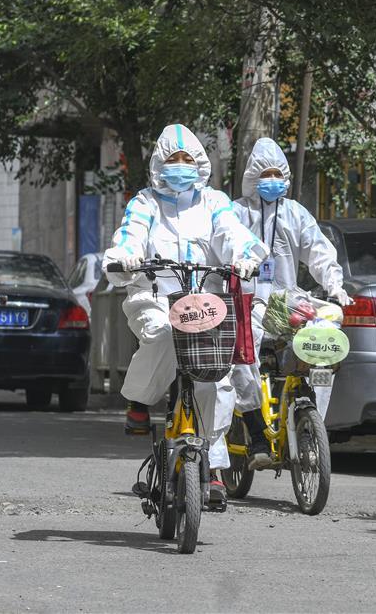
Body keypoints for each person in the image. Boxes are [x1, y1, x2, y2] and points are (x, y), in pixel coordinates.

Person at [102, 123, 268, 506]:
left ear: (200, 164)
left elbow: (234, 234)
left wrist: (246, 257)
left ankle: (210, 465)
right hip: (155, 299)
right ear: (160, 165)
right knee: (163, 335)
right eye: (173, 159)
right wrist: (125, 257)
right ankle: (140, 399)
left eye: (187, 159)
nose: (181, 166)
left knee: (215, 382)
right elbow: (129, 235)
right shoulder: (145, 203)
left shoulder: (215, 202)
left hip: (205, 305)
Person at [231, 138, 351, 468]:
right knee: (243, 353)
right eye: (265, 174)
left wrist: (335, 285)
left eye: (277, 173)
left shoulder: (295, 213)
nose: (272, 180)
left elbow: (320, 253)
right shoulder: (236, 213)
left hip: (286, 303)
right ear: (253, 176)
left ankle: (311, 425)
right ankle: (257, 432)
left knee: (329, 327)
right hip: (249, 302)